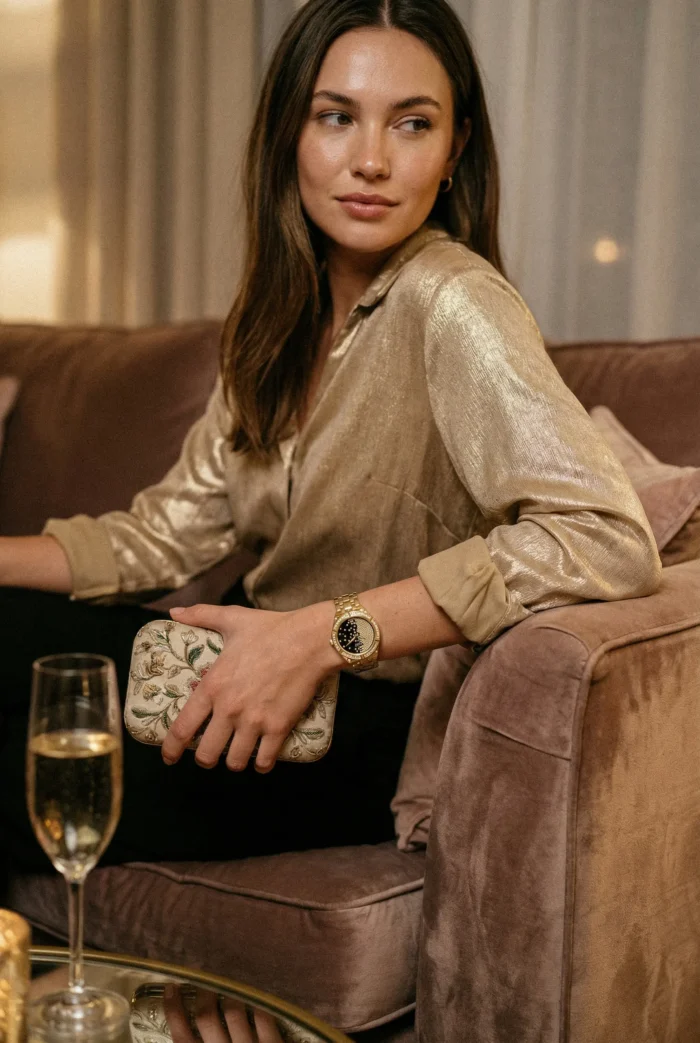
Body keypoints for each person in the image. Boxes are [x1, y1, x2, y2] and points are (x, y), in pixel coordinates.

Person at [0, 0, 662, 882]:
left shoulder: (455, 302)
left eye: (413, 123)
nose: (373, 160)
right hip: (242, 668)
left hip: (355, 724)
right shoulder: (278, 314)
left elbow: (606, 538)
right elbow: (162, 536)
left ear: (455, 149)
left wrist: (324, 635)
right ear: (290, 135)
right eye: (337, 116)